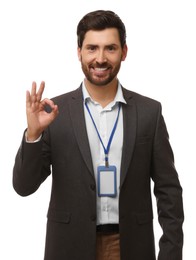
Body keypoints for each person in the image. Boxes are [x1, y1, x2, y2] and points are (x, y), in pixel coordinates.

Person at [13, 10, 184, 260]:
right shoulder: (52, 113)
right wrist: (33, 134)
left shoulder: (150, 112)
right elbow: (23, 187)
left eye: (110, 48)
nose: (100, 58)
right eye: (92, 48)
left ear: (124, 52)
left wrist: (171, 253)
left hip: (131, 247)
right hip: (69, 247)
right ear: (79, 52)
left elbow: (169, 191)